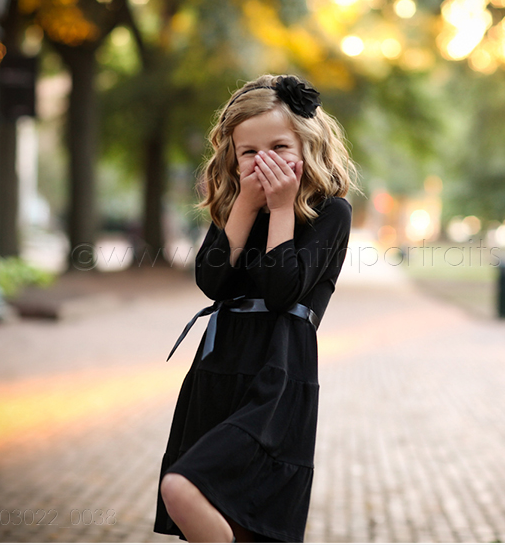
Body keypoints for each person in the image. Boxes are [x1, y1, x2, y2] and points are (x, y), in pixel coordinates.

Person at [153, 74, 360, 543]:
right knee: (217, 511)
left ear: (307, 145)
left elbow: (283, 291)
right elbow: (211, 282)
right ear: (232, 156)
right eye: (249, 151)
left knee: (190, 490)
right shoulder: (235, 207)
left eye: (280, 147)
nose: (264, 160)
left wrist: (282, 209)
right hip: (219, 369)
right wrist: (245, 206)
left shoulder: (331, 213)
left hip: (276, 374)